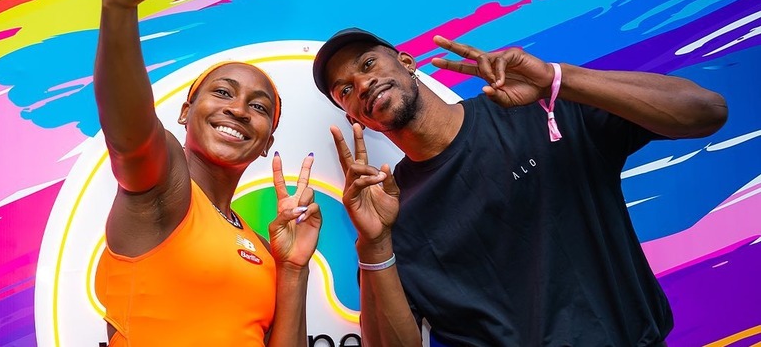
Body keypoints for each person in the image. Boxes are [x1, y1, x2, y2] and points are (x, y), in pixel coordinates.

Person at [311, 28, 728, 346]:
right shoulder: (390, 209)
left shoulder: (537, 111)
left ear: (407, 62)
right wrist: (375, 244)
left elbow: (707, 112)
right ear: (356, 118)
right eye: (344, 90)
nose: (361, 85)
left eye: (367, 65)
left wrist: (556, 80)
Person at [92, 0, 321, 345]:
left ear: (265, 142)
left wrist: (292, 269)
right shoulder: (164, 193)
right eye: (222, 93)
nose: (238, 110)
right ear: (184, 112)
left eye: (258, 106)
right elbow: (131, 136)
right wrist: (118, 5)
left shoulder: (260, 244)